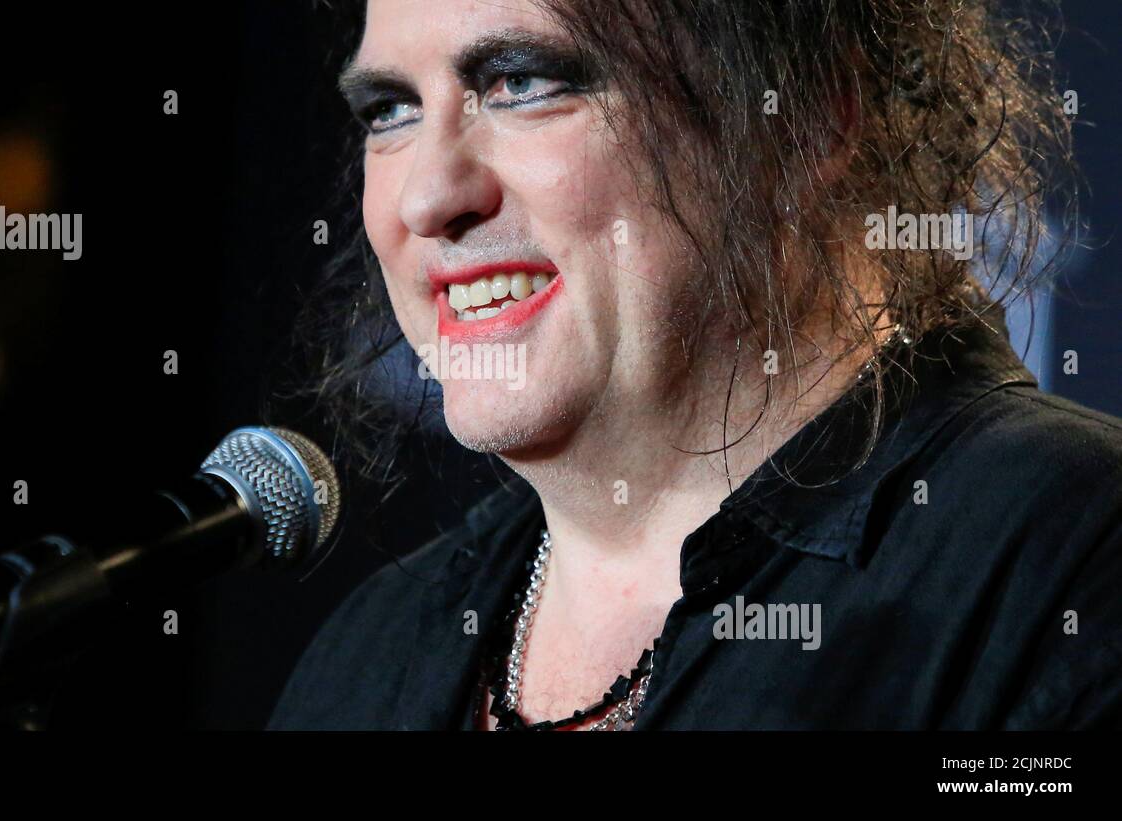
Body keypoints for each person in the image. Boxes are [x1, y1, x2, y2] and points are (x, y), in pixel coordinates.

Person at [268, 0, 1121, 730]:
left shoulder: (1074, 564)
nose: (426, 198)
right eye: (392, 109)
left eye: (521, 83)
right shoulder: (368, 657)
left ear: (806, 117)